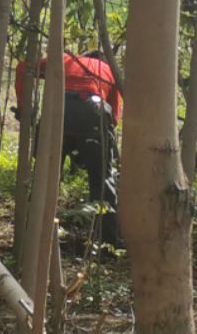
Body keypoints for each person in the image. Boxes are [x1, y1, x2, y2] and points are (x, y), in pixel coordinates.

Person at [13, 46, 122, 224]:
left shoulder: (65, 60)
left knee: (45, 174)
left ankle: (32, 229)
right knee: (102, 178)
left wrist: (26, 109)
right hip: (93, 110)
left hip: (56, 108)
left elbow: (22, 68)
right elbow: (114, 118)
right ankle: (107, 240)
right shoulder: (108, 70)